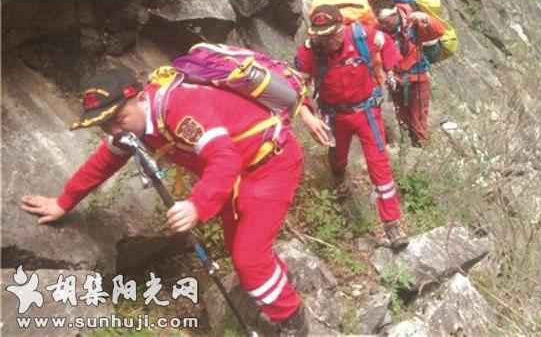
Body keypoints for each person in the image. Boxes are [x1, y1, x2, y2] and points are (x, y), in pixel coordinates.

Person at [20, 64, 332, 336]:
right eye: (104, 124)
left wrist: (196, 205)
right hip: (239, 173)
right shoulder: (135, 124)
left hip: (269, 164)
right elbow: (104, 161)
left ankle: (292, 320)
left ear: (141, 98)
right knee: (243, 247)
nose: (114, 130)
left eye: (118, 118)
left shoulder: (180, 108)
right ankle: (274, 281)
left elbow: (224, 160)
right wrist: (64, 202)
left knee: (248, 258)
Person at [294, 5, 409, 249]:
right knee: (338, 156)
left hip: (367, 112)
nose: (329, 41)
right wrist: (307, 115)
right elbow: (295, 84)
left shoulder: (360, 35)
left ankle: (392, 224)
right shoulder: (309, 54)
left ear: (341, 28)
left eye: (333, 34)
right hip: (335, 116)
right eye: (322, 37)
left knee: (379, 165)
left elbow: (387, 43)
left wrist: (388, 71)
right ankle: (338, 177)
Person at [377, 5, 445, 146]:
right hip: (396, 79)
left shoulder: (413, 26)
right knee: (402, 117)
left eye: (386, 21)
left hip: (417, 77)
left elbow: (439, 31)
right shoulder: (381, 33)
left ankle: (421, 146)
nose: (384, 25)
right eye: (382, 22)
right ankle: (410, 147)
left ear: (394, 16)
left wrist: (426, 19)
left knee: (418, 118)